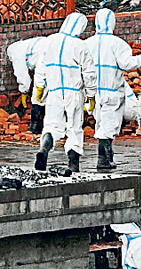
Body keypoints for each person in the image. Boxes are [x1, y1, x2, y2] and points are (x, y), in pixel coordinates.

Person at [83, 8, 141, 170]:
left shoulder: (86, 44)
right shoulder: (118, 44)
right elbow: (127, 64)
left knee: (100, 123)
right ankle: (104, 160)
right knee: (109, 125)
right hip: (112, 92)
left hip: (93, 93)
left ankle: (105, 158)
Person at [33, 12, 96, 173]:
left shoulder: (50, 41)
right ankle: (73, 164)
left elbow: (41, 67)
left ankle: (43, 150)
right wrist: (91, 95)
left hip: (53, 92)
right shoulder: (80, 46)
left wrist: (39, 88)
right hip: (74, 93)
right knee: (74, 128)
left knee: (52, 125)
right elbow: (89, 74)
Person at [6, 35, 48, 134]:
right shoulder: (27, 45)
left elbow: (22, 76)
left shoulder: (16, 53)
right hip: (55, 55)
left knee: (38, 93)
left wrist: (24, 91)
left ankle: (35, 127)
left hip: (45, 59)